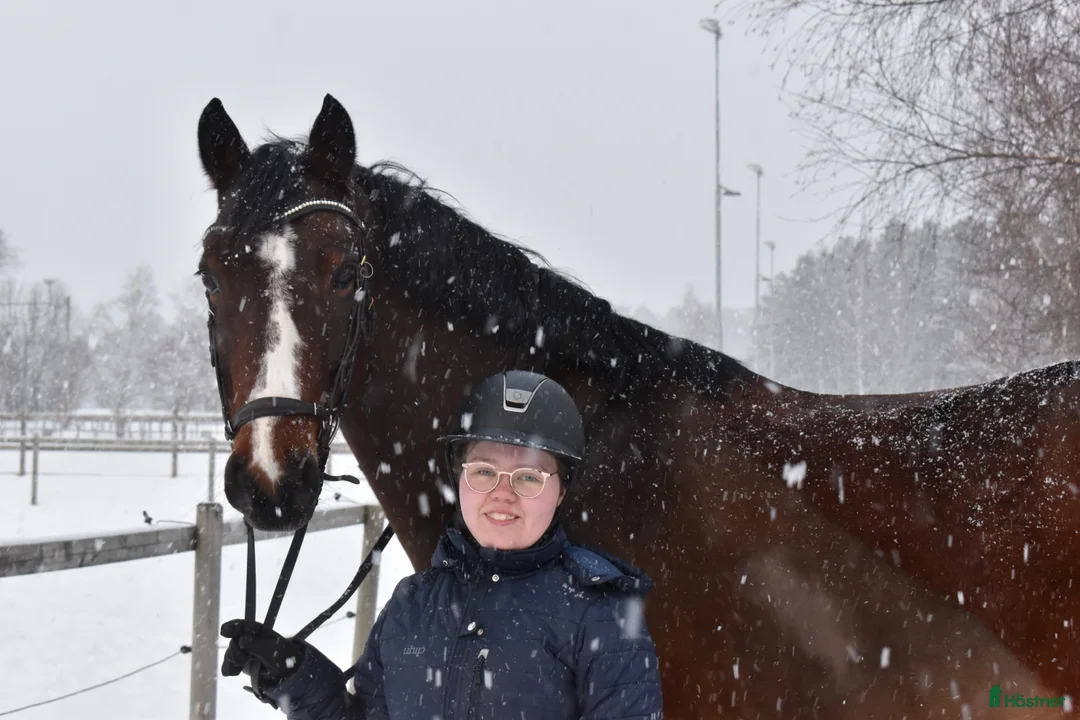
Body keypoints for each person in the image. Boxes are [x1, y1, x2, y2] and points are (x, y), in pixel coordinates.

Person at [220, 369, 664, 719]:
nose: (502, 493)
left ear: (561, 490)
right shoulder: (413, 605)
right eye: (484, 471)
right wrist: (294, 677)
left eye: (528, 477)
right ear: (461, 479)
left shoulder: (602, 615)